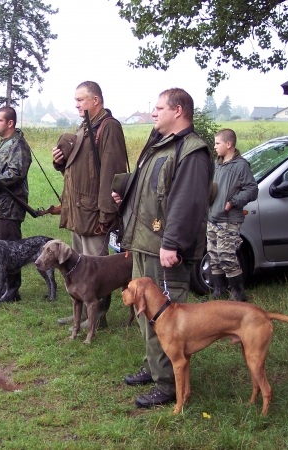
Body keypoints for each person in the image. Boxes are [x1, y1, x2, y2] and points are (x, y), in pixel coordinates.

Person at [111, 88, 213, 408]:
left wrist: (172, 243)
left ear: (178, 110)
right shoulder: (160, 144)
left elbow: (188, 202)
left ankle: (168, 383)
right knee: (145, 312)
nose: (153, 113)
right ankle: (154, 366)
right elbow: (152, 190)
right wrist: (124, 191)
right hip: (144, 243)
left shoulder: (192, 151)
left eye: (159, 108)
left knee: (165, 316)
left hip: (164, 249)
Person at [51, 81, 127, 330]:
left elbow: (111, 173)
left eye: (80, 99)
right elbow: (82, 168)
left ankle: (98, 317)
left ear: (96, 100)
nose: (76, 104)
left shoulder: (108, 127)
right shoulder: (85, 127)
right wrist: (60, 162)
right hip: (78, 211)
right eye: (75, 100)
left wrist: (107, 213)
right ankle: (82, 313)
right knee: (78, 266)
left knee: (97, 268)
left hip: (94, 212)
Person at [0, 106, 32, 300]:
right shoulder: (4, 142)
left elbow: (16, 173)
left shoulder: (18, 144)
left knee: (11, 249)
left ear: (10, 123)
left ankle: (13, 290)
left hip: (10, 206)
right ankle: (1, 288)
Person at [207, 129, 258, 301]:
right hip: (212, 218)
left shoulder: (240, 166)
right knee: (214, 256)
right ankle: (219, 291)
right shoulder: (217, 165)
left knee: (226, 256)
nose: (215, 147)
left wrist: (233, 202)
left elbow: (252, 189)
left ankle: (238, 294)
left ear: (228, 144)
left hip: (228, 220)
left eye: (217, 143)